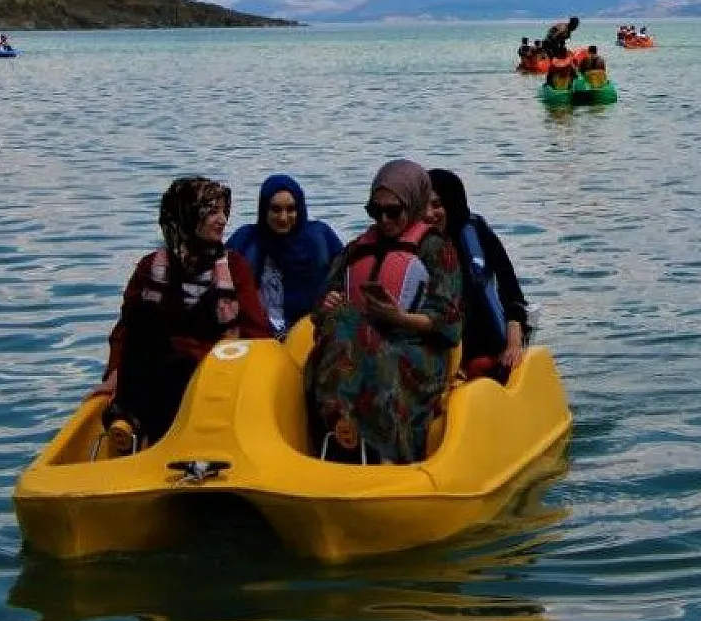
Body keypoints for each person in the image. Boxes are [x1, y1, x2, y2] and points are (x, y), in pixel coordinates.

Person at [95, 177, 272, 453]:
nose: (223, 220)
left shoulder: (235, 268)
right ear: (188, 216)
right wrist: (114, 373)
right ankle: (128, 421)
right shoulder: (150, 266)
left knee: (182, 371)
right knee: (145, 317)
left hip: (215, 368)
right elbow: (126, 331)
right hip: (158, 368)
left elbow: (256, 330)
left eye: (224, 212)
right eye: (212, 212)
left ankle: (150, 432)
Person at [305, 160, 462, 464]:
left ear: (414, 205)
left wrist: (398, 318)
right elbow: (321, 303)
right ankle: (339, 426)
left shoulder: (437, 249)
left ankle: (386, 449)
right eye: (377, 211)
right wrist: (326, 305)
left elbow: (450, 325)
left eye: (394, 211)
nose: (385, 219)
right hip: (361, 341)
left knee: (369, 353)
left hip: (416, 351)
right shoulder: (356, 248)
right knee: (340, 325)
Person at [427, 169, 531, 382]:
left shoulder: (475, 232)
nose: (428, 214)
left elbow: (512, 292)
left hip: (485, 347)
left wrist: (513, 345)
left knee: (481, 363)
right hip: (440, 353)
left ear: (452, 203)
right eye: (422, 206)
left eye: (436, 205)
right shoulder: (414, 245)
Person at [226, 174, 345, 338]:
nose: (283, 218)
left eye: (290, 209)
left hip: (307, 331)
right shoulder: (245, 241)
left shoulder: (320, 239)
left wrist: (334, 297)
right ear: (264, 209)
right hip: (257, 336)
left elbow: (347, 275)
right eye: (275, 209)